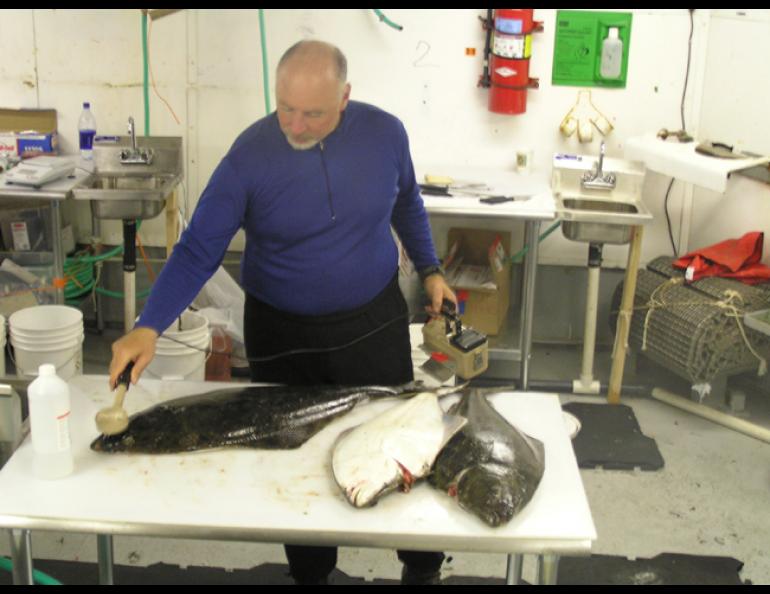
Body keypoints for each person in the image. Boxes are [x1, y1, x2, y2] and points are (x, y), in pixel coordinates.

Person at [109, 40, 455, 585]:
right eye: (284, 107)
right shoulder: (250, 155)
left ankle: (421, 567)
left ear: (345, 97)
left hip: (373, 325)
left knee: (399, 440)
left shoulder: (386, 134)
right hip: (283, 335)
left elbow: (407, 199)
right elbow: (199, 248)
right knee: (294, 466)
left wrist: (431, 268)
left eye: (312, 112)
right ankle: (311, 573)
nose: (294, 124)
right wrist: (148, 325)